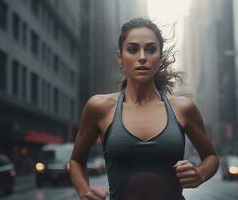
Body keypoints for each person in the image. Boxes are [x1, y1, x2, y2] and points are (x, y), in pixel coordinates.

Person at [70, 18, 219, 200]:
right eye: (133, 49)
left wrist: (200, 174)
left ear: (160, 56)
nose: (142, 57)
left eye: (150, 49)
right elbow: (77, 160)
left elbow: (211, 157)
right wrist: (84, 192)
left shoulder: (183, 108)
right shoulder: (99, 107)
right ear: (120, 57)